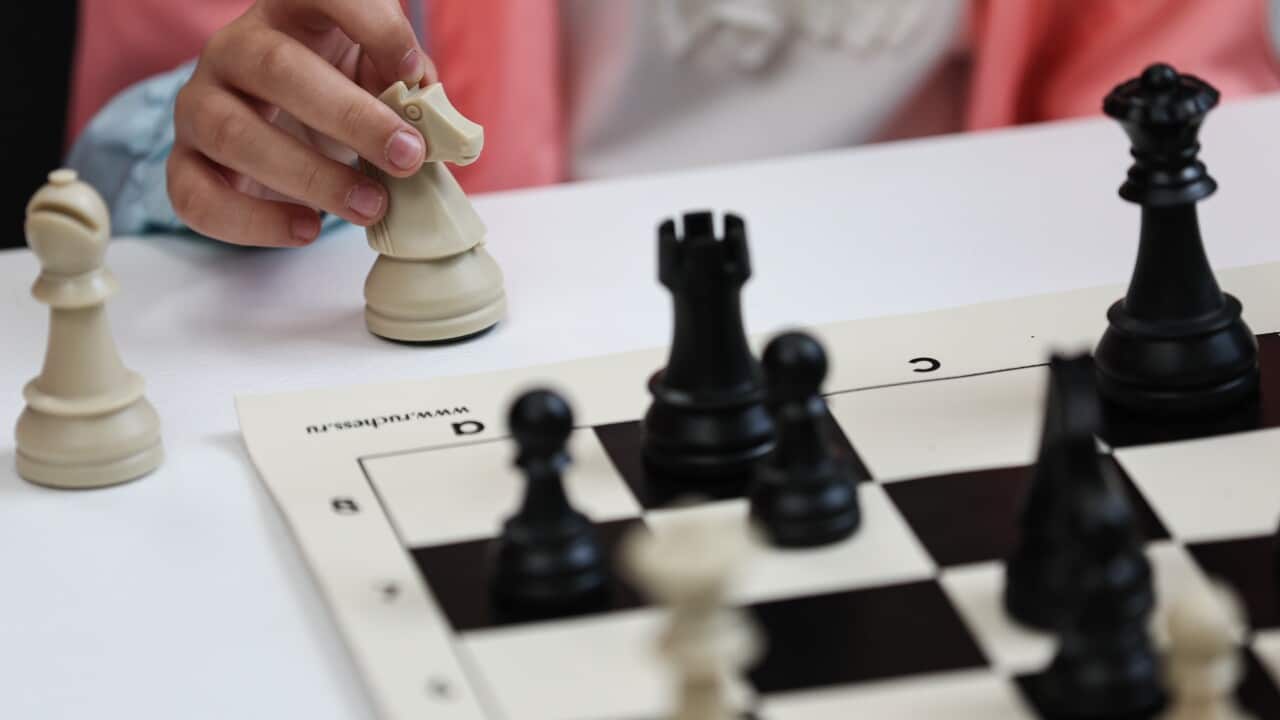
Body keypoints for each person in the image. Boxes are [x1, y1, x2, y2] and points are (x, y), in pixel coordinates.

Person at [65, 0, 1280, 248]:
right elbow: (163, 129)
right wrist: (243, 147)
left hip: (934, 305)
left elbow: (1197, 122)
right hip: (511, 331)